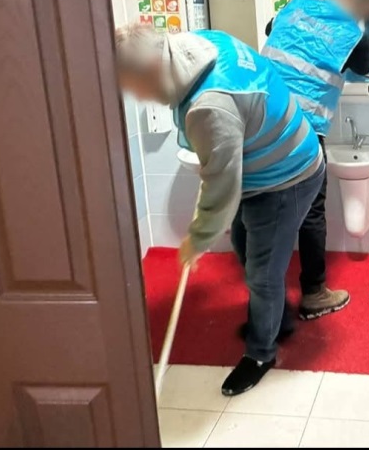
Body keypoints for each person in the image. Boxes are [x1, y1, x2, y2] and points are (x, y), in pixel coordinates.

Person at [114, 24, 324, 396]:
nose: (137, 97)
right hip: (263, 162)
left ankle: (261, 354)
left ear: (153, 69)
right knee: (245, 245)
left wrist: (197, 239)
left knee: (262, 272)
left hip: (287, 175)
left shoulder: (210, 107)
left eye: (135, 86)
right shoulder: (201, 43)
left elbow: (222, 188)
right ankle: (277, 319)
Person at [261, 0, 369, 320]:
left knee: (263, 206)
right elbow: (367, 64)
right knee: (311, 210)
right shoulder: (352, 34)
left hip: (260, 118)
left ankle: (265, 294)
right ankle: (314, 293)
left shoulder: (295, 6)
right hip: (302, 130)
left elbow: (270, 29)